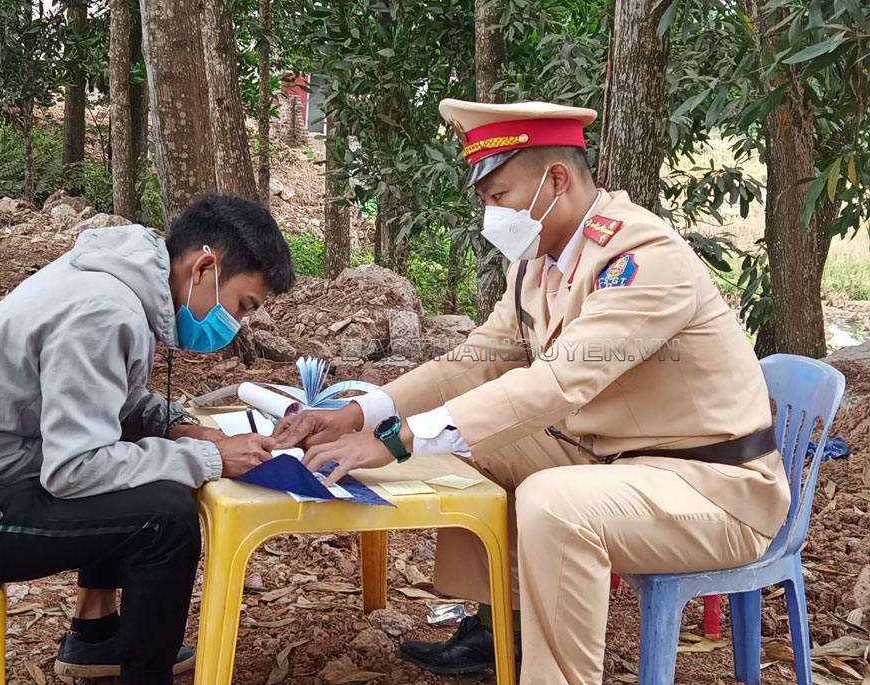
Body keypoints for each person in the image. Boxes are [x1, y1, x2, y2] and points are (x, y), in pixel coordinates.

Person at [273, 100, 791, 684]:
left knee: (554, 503)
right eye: (486, 201)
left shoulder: (642, 260)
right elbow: (472, 364)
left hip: (713, 488)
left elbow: (561, 380)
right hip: (619, 459)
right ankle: (501, 631)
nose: (491, 215)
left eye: (499, 197)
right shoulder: (540, 262)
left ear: (557, 179)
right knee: (472, 447)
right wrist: (357, 414)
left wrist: (397, 441)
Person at [0, 194, 294, 685]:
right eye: (242, 305)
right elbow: (76, 469)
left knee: (147, 478)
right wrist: (205, 457)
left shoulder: (116, 280)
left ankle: (97, 640)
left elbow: (110, 401)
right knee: (164, 517)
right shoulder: (104, 311)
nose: (236, 322)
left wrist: (180, 426)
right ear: (204, 267)